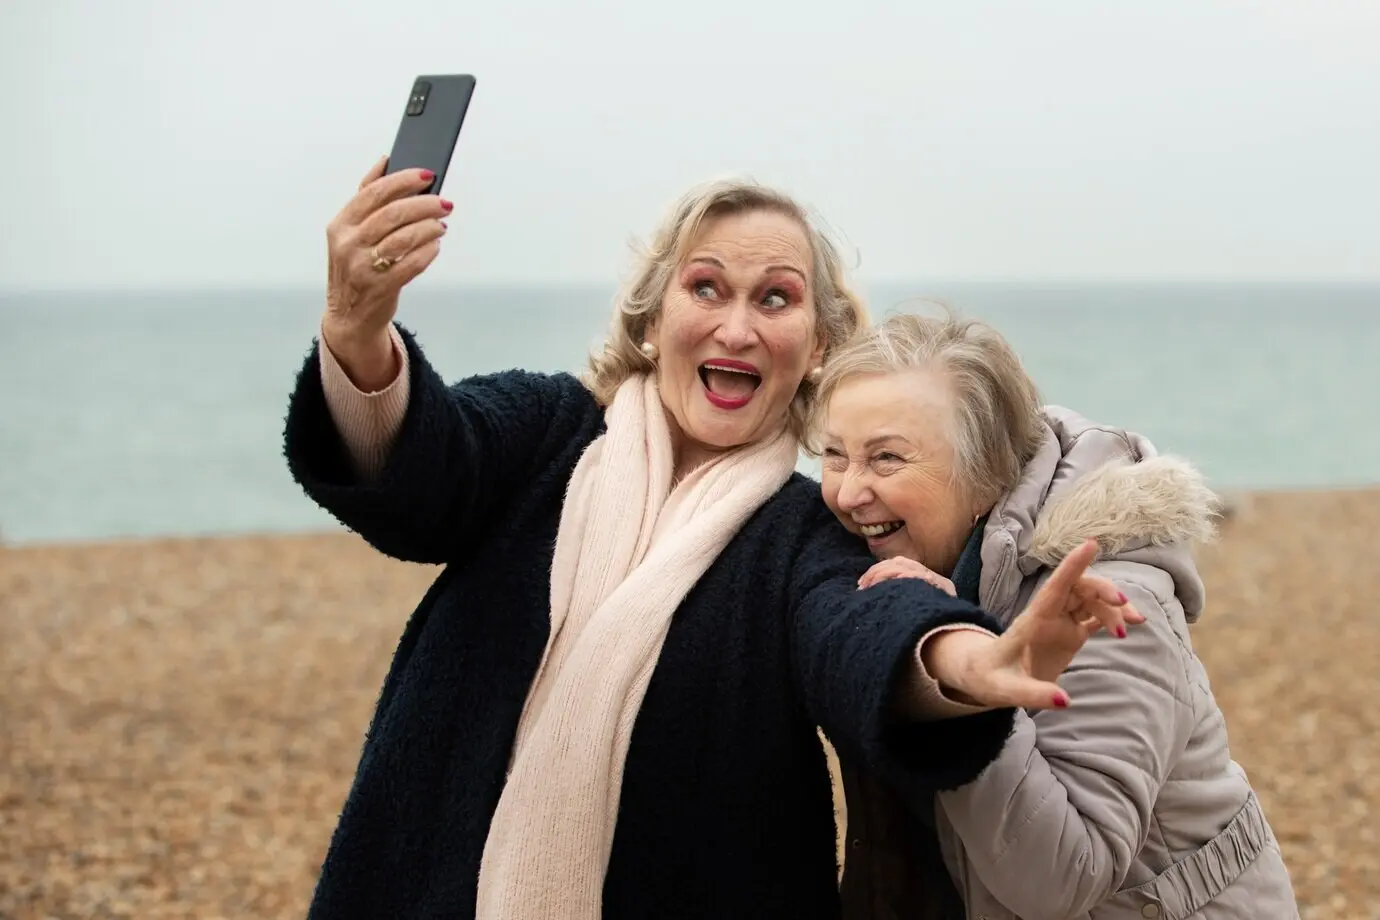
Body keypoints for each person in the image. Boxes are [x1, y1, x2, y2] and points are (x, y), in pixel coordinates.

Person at [281, 161, 1143, 920]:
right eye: (706, 288)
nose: (737, 328)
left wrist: (966, 665)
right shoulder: (545, 433)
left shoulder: (807, 533)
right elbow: (426, 477)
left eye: (775, 298)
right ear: (653, 319)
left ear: (815, 349)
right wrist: (358, 331)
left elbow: (863, 627)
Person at [812, 310, 1300, 920]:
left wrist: (963, 671)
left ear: (986, 474)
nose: (849, 493)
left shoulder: (1106, 595)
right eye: (834, 455)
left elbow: (1062, 880)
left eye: (886, 459)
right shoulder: (915, 553)